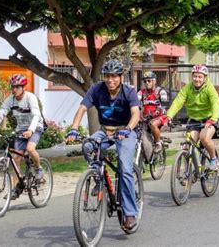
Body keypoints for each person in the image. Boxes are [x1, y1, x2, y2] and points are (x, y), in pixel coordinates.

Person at [65, 59, 140, 230]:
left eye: (114, 76)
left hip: (125, 131)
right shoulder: (97, 89)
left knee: (125, 168)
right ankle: (97, 175)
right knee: (87, 146)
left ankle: (129, 213)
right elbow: (83, 108)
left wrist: (128, 129)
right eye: (107, 76)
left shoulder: (128, 92)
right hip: (105, 130)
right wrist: (74, 129)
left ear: (121, 77)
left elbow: (135, 113)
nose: (110, 80)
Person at [0, 74, 44, 200]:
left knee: (31, 149)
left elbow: (36, 115)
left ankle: (39, 169)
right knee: (16, 159)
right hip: (20, 130)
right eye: (12, 87)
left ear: (23, 87)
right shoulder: (11, 99)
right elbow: (1, 113)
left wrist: (31, 130)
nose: (14, 89)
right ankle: (16, 188)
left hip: (35, 127)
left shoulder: (30, 98)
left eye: (17, 87)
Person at [165, 64, 219, 171]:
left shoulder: (209, 88)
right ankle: (190, 170)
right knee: (188, 143)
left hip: (209, 119)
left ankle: (213, 159)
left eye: (200, 77)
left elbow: (215, 103)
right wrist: (169, 116)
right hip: (194, 120)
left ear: (205, 78)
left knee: (204, 138)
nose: (197, 79)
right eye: (195, 76)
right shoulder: (187, 88)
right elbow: (178, 102)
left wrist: (213, 118)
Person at [137, 71, 169, 153]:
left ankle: (158, 143)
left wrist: (159, 110)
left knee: (152, 124)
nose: (146, 83)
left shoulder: (160, 91)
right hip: (146, 117)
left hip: (160, 117)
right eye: (145, 81)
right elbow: (136, 103)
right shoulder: (141, 92)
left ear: (154, 81)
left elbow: (165, 105)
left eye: (149, 81)